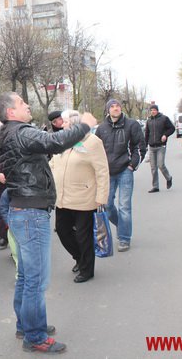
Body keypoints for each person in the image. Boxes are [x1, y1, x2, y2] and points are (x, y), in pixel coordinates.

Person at [0, 92, 97, 354]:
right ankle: (35, 336)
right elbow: (56, 141)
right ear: (11, 112)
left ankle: (26, 325)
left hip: (22, 208)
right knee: (36, 280)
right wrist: (84, 124)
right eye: (21, 103)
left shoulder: (10, 132)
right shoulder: (21, 132)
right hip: (30, 212)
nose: (27, 105)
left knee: (26, 275)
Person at [50, 110, 109, 283]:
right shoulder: (63, 140)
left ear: (75, 122)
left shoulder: (92, 142)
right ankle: (79, 257)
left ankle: (86, 269)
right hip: (62, 197)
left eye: (66, 122)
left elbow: (102, 171)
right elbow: (53, 163)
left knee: (84, 237)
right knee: (62, 231)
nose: (62, 124)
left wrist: (101, 197)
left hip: (85, 198)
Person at [95, 98, 145, 252]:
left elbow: (140, 146)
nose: (115, 108)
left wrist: (132, 164)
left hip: (125, 170)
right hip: (107, 172)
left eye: (117, 106)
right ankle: (122, 225)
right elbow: (95, 150)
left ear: (121, 109)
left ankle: (124, 238)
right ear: (108, 110)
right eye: (112, 106)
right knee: (107, 206)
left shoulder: (132, 125)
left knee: (124, 206)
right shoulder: (101, 128)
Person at [144, 104, 175, 193]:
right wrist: (145, 145)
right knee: (153, 168)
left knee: (161, 165)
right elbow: (147, 134)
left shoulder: (164, 118)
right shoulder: (149, 121)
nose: (153, 111)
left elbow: (172, 128)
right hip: (151, 147)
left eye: (154, 110)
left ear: (157, 110)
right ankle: (155, 186)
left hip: (161, 146)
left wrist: (165, 135)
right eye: (151, 110)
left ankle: (168, 178)